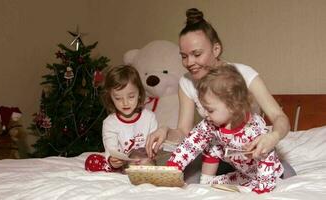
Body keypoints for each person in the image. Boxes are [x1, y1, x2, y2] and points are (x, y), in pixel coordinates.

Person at [146, 7, 291, 179]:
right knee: (189, 183)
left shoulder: (243, 74)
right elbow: (185, 133)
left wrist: (272, 137)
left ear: (216, 49)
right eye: (184, 56)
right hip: (217, 155)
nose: (189, 62)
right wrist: (166, 131)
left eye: (197, 54)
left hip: (252, 154)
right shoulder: (186, 82)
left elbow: (280, 118)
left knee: (284, 179)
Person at [167, 64, 284, 194]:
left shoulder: (253, 129)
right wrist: (173, 167)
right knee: (211, 146)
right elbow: (190, 143)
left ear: (233, 107)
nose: (205, 113)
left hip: (266, 176)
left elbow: (266, 159)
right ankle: (205, 182)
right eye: (204, 108)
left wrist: (262, 189)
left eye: (210, 110)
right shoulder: (210, 123)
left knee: (256, 177)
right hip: (243, 173)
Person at [85, 65, 158, 172]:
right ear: (110, 97)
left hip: (146, 162)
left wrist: (149, 157)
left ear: (139, 93)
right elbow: (110, 148)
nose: (125, 103)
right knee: (93, 161)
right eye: (118, 98)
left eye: (131, 96)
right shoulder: (110, 123)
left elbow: (155, 146)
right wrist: (112, 160)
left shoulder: (149, 117)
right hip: (123, 165)